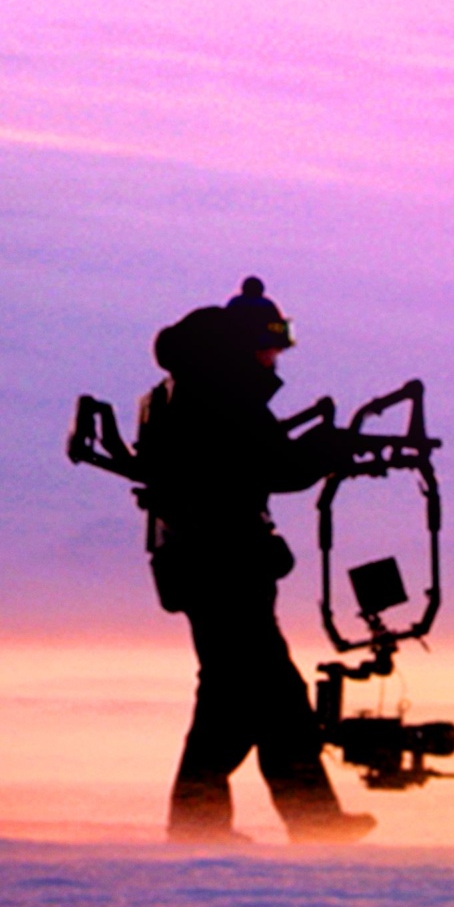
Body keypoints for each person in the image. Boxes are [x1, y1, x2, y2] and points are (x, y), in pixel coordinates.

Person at [135, 278, 376, 844]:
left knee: (263, 698)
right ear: (246, 344)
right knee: (246, 700)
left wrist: (323, 450)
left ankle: (308, 821)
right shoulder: (218, 394)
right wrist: (332, 451)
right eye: (271, 344)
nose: (277, 356)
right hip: (221, 568)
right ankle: (208, 827)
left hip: (209, 566)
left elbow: (260, 459)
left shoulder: (190, 389)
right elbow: (276, 466)